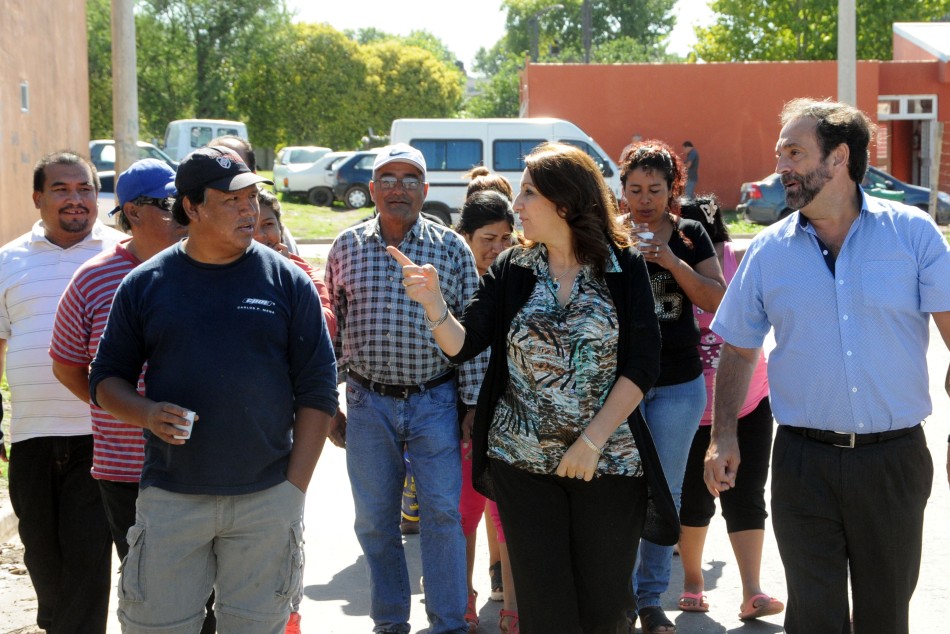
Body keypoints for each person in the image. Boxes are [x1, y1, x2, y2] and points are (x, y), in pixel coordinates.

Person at [390, 142, 674, 633]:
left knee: (607, 609)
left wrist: (590, 441)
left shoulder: (623, 268)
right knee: (545, 610)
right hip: (522, 464)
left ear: (563, 203)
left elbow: (643, 366)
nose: (516, 206)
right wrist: (434, 304)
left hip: (607, 462)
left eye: (527, 194)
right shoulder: (513, 269)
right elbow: (464, 344)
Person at [704, 98, 950, 634]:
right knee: (814, 618)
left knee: (885, 616)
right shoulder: (768, 252)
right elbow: (741, 349)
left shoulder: (913, 234)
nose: (781, 168)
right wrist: (725, 435)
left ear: (838, 158)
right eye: (779, 154)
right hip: (802, 464)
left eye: (795, 153)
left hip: (894, 463)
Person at [89, 146, 338, 632]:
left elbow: (318, 392)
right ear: (192, 207)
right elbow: (105, 379)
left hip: (266, 499)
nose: (249, 209)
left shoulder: (288, 282)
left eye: (252, 197)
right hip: (171, 499)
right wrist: (145, 413)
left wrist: (293, 492)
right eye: (232, 200)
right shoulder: (146, 284)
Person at [324, 143, 486, 634]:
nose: (399, 189)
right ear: (371, 190)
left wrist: (473, 404)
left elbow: (474, 334)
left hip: (435, 400)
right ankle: (390, 622)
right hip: (367, 402)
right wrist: (326, 403)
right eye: (388, 179)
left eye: (410, 179)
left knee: (441, 516)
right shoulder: (346, 246)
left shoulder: (450, 248)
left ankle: (448, 624)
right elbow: (333, 329)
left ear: (426, 190)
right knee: (375, 521)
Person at [0, 151, 126, 633]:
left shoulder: (123, 256)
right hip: (30, 438)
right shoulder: (10, 260)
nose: (75, 200)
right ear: (38, 198)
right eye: (61, 190)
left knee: (86, 560)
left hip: (101, 436)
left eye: (85, 190)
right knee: (42, 557)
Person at [621, 140, 726, 634]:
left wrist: (670, 262)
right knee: (618, 490)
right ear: (620, 190)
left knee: (667, 493)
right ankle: (616, 593)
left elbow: (717, 297)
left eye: (655, 190)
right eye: (635, 189)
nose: (644, 200)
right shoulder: (608, 234)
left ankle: (649, 599)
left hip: (680, 385)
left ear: (672, 191)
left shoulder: (690, 234)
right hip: (621, 386)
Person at [675, 195, 784, 621]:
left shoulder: (738, 262)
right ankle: (692, 584)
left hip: (747, 403)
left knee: (746, 494)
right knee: (693, 501)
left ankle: (753, 591)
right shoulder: (665, 268)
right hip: (689, 406)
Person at [255, 187, 334, 634]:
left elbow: (324, 328)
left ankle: (288, 619)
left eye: (270, 224)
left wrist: (286, 272)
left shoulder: (297, 274)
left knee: (283, 534)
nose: (263, 234)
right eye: (254, 224)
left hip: (285, 436)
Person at [454, 186, 519, 633]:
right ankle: (463, 599)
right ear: (465, 238)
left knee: (509, 517)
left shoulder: (523, 281)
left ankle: (514, 605)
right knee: (463, 515)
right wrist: (465, 409)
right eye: (487, 240)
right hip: (460, 422)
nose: (496, 249)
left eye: (505, 239)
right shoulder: (455, 285)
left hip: (512, 419)